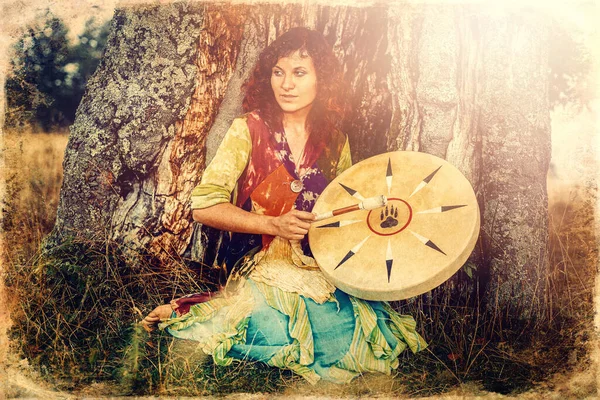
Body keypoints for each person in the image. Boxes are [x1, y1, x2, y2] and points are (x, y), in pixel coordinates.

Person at [143, 27, 426, 384]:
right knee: (272, 325)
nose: (286, 84)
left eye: (299, 73)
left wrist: (375, 217)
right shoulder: (248, 129)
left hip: (313, 266)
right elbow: (203, 208)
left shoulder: (336, 142)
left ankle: (207, 309)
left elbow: (343, 213)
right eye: (278, 72)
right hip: (256, 262)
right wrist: (274, 225)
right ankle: (193, 309)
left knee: (350, 323)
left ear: (322, 81)